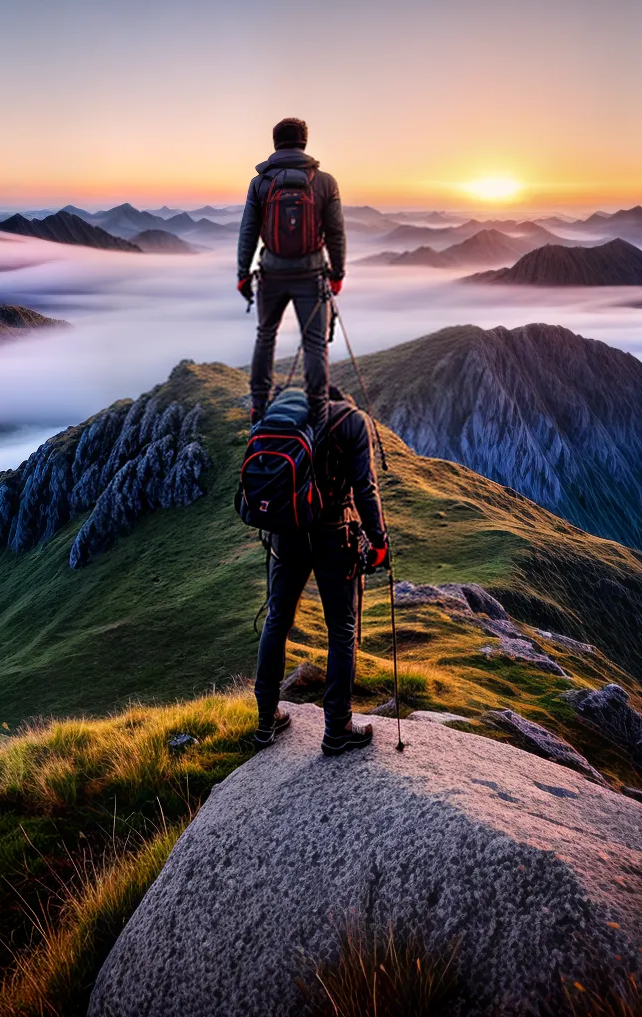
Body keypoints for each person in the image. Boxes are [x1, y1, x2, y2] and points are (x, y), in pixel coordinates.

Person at [253, 385, 388, 755]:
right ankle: (337, 728)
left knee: (277, 619)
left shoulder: (280, 417)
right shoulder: (350, 421)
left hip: (286, 533)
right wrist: (379, 541)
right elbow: (365, 487)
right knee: (342, 629)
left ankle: (266, 721)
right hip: (334, 534)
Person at [237, 117, 346, 433]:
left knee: (265, 335)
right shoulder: (325, 182)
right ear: (305, 142)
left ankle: (259, 403)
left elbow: (248, 231)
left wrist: (243, 273)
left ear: (275, 144)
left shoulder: (259, 183)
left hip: (270, 274)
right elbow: (336, 232)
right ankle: (319, 412)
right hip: (312, 276)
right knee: (314, 344)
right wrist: (337, 273)